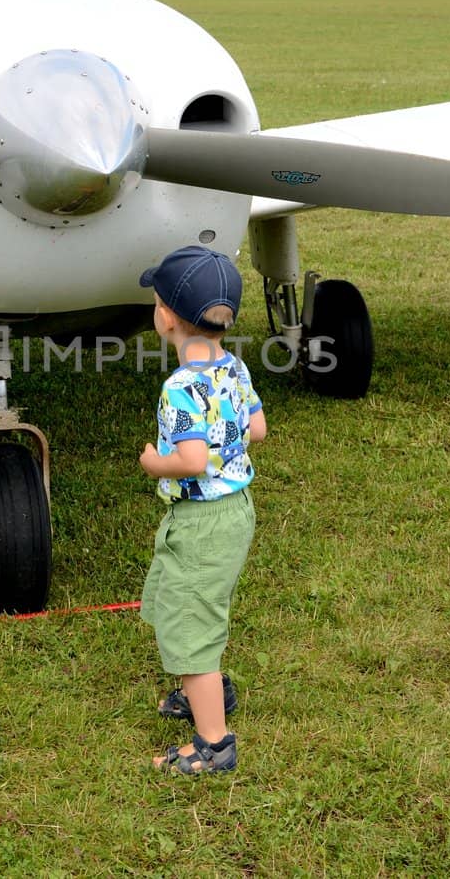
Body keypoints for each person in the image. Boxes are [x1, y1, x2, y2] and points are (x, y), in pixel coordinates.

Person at [137, 245, 268, 775]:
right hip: (236, 509)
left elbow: (190, 460)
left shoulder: (179, 388)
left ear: (165, 316)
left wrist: (155, 462)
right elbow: (257, 429)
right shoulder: (234, 367)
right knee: (191, 601)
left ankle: (213, 742)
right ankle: (206, 694)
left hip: (202, 520)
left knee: (192, 624)